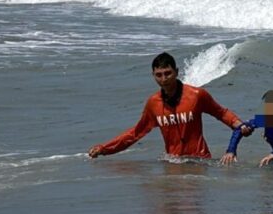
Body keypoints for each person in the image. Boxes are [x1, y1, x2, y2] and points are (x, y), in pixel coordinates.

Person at [88, 52, 251, 160]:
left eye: (167, 73)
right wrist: (104, 148)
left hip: (200, 161)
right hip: (173, 162)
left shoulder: (196, 95)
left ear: (176, 72)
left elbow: (221, 113)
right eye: (158, 75)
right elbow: (135, 133)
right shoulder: (153, 103)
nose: (163, 79)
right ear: (153, 76)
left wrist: (240, 125)